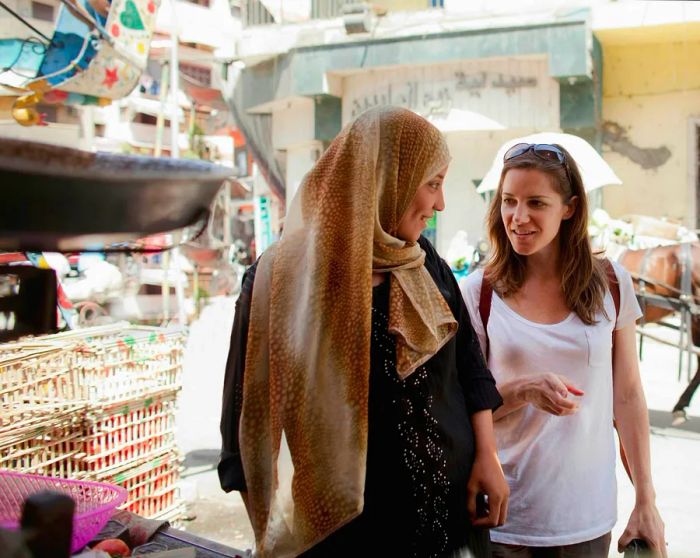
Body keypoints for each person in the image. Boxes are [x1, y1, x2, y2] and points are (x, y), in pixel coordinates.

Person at [218, 106, 508, 558]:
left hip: (453, 524)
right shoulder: (282, 281)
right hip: (348, 536)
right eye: (432, 183)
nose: (440, 204)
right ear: (383, 178)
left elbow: (468, 366)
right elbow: (243, 418)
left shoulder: (423, 262)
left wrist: (487, 456)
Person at [459, 143, 667, 557]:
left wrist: (646, 499)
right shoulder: (478, 292)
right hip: (504, 518)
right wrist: (521, 390)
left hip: (586, 518)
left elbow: (627, 398)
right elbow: (462, 410)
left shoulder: (611, 283)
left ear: (569, 208)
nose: (518, 217)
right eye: (509, 202)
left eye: (536, 202)